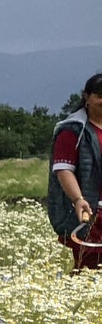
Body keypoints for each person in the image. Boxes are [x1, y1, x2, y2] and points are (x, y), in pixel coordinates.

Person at [47, 73, 102, 271]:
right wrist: (78, 198)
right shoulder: (73, 130)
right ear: (87, 97)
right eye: (100, 96)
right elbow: (63, 169)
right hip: (91, 213)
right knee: (89, 269)